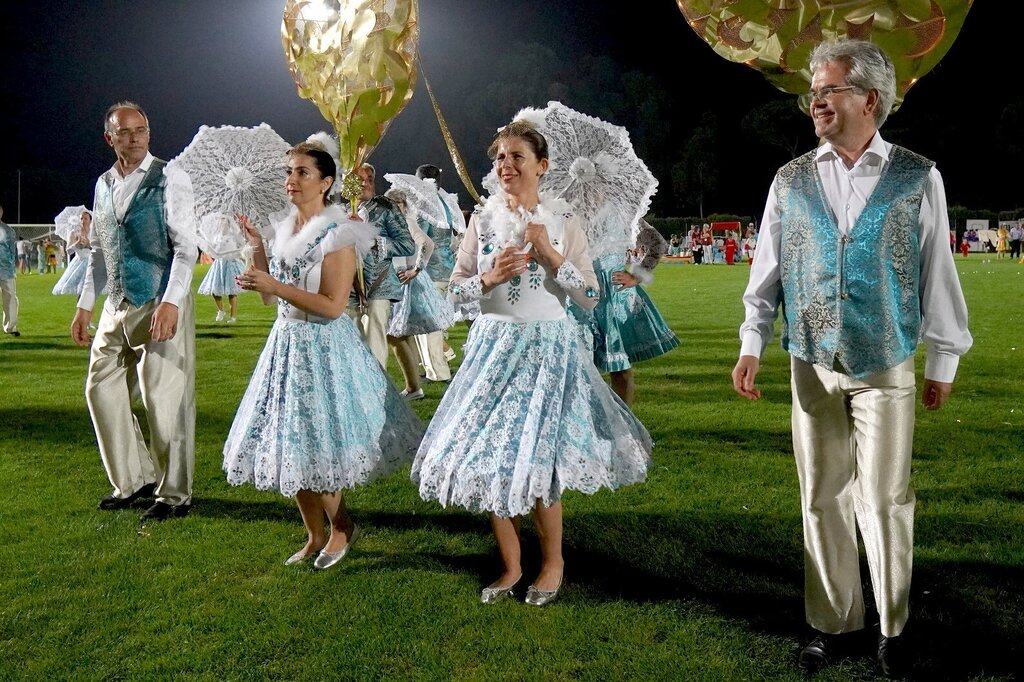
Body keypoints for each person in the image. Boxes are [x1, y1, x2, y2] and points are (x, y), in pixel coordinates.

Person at [731, 40, 973, 678]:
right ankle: (833, 622)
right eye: (813, 91)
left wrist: (943, 360)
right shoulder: (790, 178)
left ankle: (893, 628)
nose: (816, 101)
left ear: (870, 99)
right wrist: (751, 342)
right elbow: (768, 270)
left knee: (886, 496)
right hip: (810, 359)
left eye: (829, 90)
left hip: (885, 358)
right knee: (821, 495)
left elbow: (936, 273)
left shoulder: (918, 176)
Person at [412, 121, 652, 606]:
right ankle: (511, 565)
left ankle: (553, 563)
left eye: (517, 156)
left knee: (539, 457)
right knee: (491, 456)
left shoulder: (565, 224)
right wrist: (487, 276)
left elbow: (589, 296)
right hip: (492, 348)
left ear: (542, 166)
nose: (506, 166)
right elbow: (453, 294)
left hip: (547, 350)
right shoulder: (480, 222)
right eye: (500, 157)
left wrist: (549, 254)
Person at [224, 140, 422, 569]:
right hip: (286, 343)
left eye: (302, 172)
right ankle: (315, 534)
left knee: (319, 443)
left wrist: (275, 286)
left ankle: (342, 526)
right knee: (287, 441)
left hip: (322, 347)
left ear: (326, 182)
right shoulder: (283, 230)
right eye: (289, 171)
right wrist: (258, 248)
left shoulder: (339, 234)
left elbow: (333, 306)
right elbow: (270, 300)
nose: (291, 180)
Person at [71, 102, 198, 522]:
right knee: (100, 390)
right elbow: (99, 252)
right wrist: (85, 306)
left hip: (159, 298)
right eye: (124, 132)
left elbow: (185, 248)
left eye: (141, 130)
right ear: (110, 138)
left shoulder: (171, 177)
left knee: (164, 399)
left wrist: (171, 302)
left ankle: (174, 494)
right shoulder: (103, 183)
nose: (135, 138)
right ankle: (132, 480)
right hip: (117, 302)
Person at [569, 216, 679, 405]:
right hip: (578, 292)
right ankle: (584, 425)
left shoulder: (622, 212)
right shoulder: (567, 213)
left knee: (620, 367)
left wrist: (637, 275)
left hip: (613, 296)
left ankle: (624, 424)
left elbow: (657, 242)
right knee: (576, 367)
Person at [383, 187, 455, 399]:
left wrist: (416, 269)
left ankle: (414, 385)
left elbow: (427, 243)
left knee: (395, 334)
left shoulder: (406, 222)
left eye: (396, 205)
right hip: (401, 279)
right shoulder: (399, 222)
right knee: (401, 335)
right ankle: (413, 385)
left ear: (402, 206)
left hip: (407, 281)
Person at [345, 163, 416, 368]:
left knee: (375, 340)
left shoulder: (386, 208)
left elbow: (407, 245)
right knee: (350, 341)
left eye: (370, 180)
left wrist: (373, 239)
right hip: (349, 287)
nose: (366, 185)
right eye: (360, 180)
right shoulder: (340, 211)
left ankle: (376, 390)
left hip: (380, 284)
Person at [410, 164, 465, 383]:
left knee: (429, 326)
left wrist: (416, 267)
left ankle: (438, 372)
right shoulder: (445, 204)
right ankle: (431, 368)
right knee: (433, 324)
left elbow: (424, 242)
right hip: (447, 269)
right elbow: (453, 241)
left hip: (429, 271)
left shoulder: (425, 207)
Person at [52, 210, 94, 296]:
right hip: (79, 263)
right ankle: (81, 308)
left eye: (85, 218)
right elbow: (68, 251)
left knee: (90, 292)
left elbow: (99, 248)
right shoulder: (74, 233)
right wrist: (76, 244)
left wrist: (88, 244)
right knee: (81, 292)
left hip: (92, 263)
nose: (83, 221)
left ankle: (88, 309)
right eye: (81, 218)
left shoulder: (94, 234)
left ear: (90, 220)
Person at [197, 253, 244, 323]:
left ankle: (232, 317)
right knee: (214, 290)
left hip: (231, 263)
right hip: (219, 263)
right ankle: (221, 310)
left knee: (232, 292)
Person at [0, 206, 19, 336]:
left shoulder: (8, 230)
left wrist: (12, 266)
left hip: (6, 268)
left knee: (10, 298)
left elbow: (12, 250)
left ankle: (10, 327)